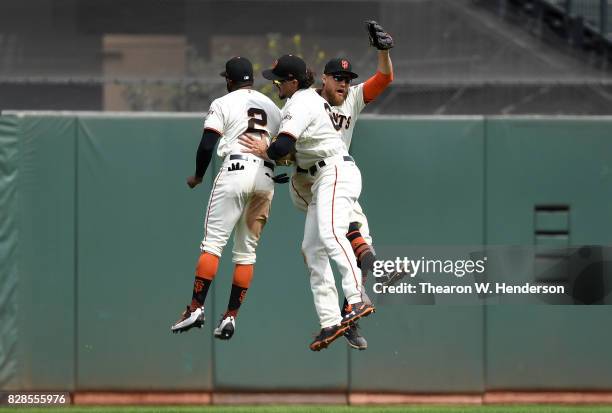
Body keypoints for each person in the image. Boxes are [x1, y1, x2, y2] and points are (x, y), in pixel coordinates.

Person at [240, 54, 374, 351]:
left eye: (277, 80)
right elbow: (294, 150)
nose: (275, 85)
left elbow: (283, 146)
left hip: (335, 171)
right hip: (320, 178)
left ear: (292, 81)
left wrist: (266, 150)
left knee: (329, 235)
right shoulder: (307, 102)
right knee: (312, 250)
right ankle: (330, 321)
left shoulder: (300, 101)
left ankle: (355, 300)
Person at [288, 20, 396, 350]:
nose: (344, 84)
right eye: (338, 78)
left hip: (336, 179)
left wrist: (384, 52)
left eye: (348, 80)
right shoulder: (307, 101)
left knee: (329, 246)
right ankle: (368, 272)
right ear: (324, 77)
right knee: (348, 240)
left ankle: (345, 319)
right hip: (309, 181)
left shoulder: (351, 100)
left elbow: (384, 78)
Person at [171, 56, 283, 340]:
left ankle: (196, 308)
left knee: (212, 245)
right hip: (266, 178)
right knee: (246, 253)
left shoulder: (223, 103)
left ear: (229, 81)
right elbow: (285, 147)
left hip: (235, 170)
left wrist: (197, 176)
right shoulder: (273, 106)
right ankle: (231, 317)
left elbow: (208, 143)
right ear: (252, 80)